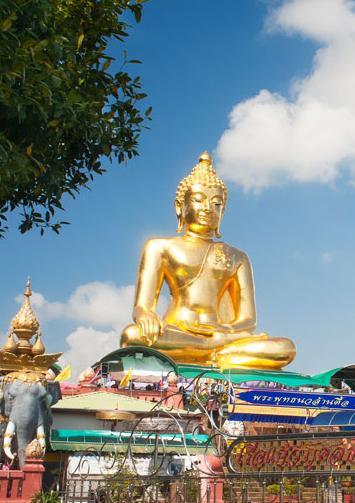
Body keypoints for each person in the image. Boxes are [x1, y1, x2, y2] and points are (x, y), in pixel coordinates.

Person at [120, 152, 296, 369]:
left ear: (223, 211)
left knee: (285, 348)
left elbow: (248, 319)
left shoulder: (238, 257)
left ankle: (212, 350)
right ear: (180, 207)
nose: (208, 209)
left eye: (217, 204)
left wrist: (225, 332)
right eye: (198, 200)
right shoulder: (159, 247)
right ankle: (217, 351)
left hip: (224, 334)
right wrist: (145, 315)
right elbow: (142, 306)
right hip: (177, 332)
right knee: (132, 335)